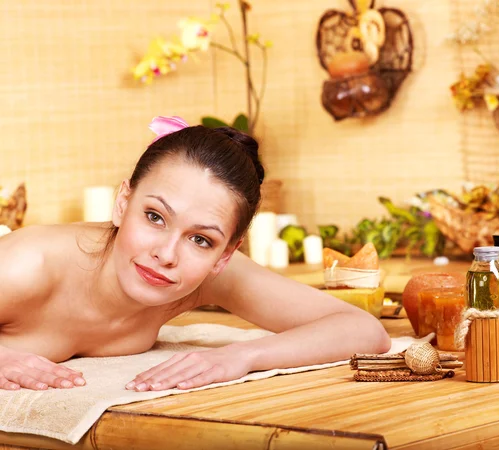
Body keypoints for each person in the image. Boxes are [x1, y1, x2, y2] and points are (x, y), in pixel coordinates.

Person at [0, 116, 391, 392]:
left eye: (201, 239)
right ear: (123, 202)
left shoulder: (204, 276)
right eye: (154, 217)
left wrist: (242, 356)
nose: (167, 254)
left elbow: (363, 330)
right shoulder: (27, 266)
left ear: (225, 254)